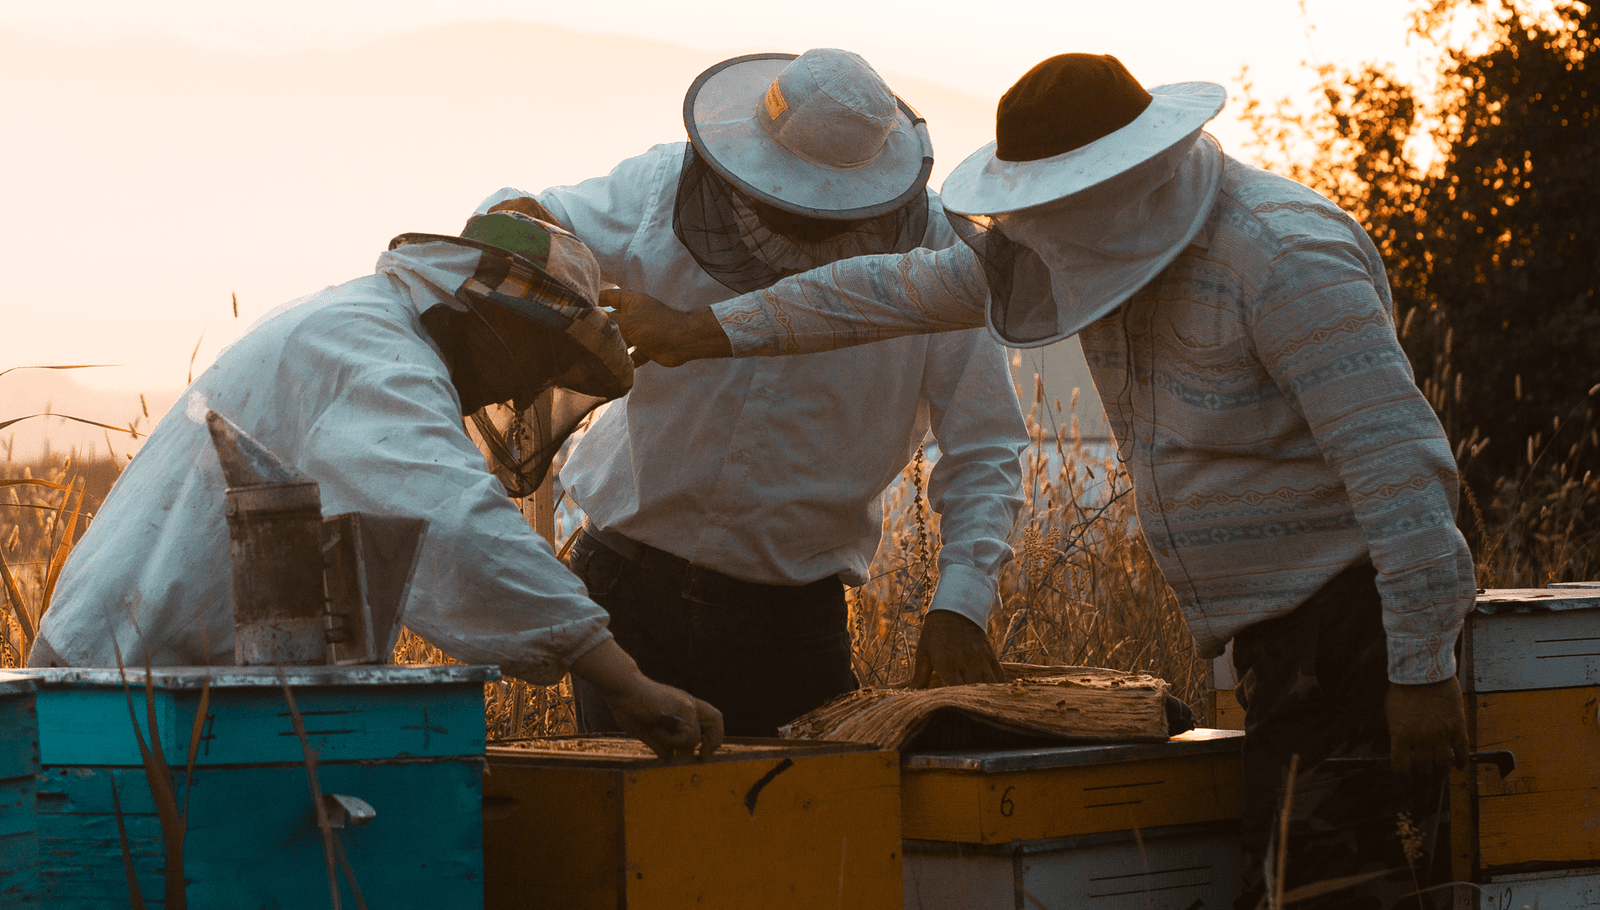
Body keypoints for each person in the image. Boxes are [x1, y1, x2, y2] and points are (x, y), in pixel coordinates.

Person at [608, 52, 1477, 903]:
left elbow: (1399, 469)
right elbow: (882, 291)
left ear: (1120, 181)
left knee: (1323, 887)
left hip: (1351, 627)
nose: (1035, 228)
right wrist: (709, 330)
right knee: (1305, 879)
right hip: (1283, 641)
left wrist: (1421, 667)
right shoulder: (1082, 243)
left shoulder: (1284, 258)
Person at [34, 203, 723, 761]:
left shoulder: (356, 322)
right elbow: (454, 520)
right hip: (128, 689)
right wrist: (623, 681)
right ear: (493, 319)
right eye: (540, 360)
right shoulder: (375, 358)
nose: (525, 386)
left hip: (146, 676)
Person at [485, 48, 1028, 737]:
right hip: (626, 585)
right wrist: (525, 238)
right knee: (633, 832)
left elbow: (985, 445)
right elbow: (532, 219)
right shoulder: (662, 187)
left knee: (793, 836)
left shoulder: (941, 259)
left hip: (789, 625)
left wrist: (961, 603)